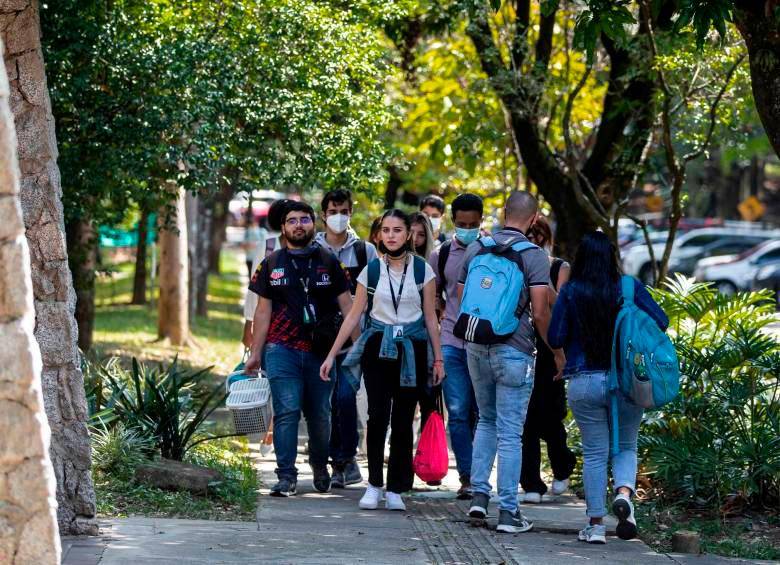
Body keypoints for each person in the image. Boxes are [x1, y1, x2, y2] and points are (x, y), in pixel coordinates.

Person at [319, 209, 445, 512]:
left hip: (412, 350)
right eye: (386, 230)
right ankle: (374, 485)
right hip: (378, 347)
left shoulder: (423, 271)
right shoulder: (371, 271)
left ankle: (396, 489)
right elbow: (354, 314)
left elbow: (431, 317)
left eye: (398, 230)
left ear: (409, 235)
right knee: (377, 418)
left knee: (403, 421)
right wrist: (332, 354)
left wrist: (438, 359)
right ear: (379, 235)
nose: (391, 235)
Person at [548, 231, 669, 544]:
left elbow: (556, 337)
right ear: (612, 257)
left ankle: (596, 525)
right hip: (627, 381)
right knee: (626, 445)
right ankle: (625, 495)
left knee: (594, 453)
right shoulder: (629, 287)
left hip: (585, 380)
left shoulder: (572, 290)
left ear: (581, 259)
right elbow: (662, 321)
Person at [459, 191, 565, 534]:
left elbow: (462, 298)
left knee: (485, 421)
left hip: (475, 345)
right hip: (514, 350)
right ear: (534, 219)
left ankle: (478, 498)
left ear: (503, 212)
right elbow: (540, 311)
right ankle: (508, 512)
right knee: (510, 432)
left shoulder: (477, 247)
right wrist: (557, 351)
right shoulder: (534, 256)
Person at [245, 201, 356, 497]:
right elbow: (262, 311)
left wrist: (358, 349)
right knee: (286, 411)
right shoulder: (270, 263)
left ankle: (320, 467)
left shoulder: (330, 261)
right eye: (292, 221)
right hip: (281, 350)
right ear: (283, 228)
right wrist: (256, 352)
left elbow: (349, 307)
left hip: (322, 351)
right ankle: (286, 476)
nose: (298, 225)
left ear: (313, 224)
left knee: (320, 414)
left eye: (304, 220)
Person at [314, 189, 377, 488]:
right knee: (322, 402)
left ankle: (345, 458)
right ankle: (329, 459)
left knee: (345, 397)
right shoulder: (310, 248)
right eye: (333, 210)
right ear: (323, 214)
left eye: (344, 210)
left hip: (354, 337)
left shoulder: (365, 252)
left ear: (351, 212)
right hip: (317, 337)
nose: (338, 216)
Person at [428, 193, 483, 500]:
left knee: (480, 412)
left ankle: (478, 471)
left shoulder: (492, 251)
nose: (467, 229)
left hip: (484, 343)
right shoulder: (442, 253)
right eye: (461, 224)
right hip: (451, 340)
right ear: (452, 221)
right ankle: (467, 476)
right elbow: (434, 296)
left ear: (482, 222)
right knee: (459, 411)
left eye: (472, 224)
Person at [519, 215, 577, 503]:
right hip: (521, 344)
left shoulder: (558, 267)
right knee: (526, 418)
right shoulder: (516, 263)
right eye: (530, 236)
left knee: (552, 416)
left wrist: (540, 274)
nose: (534, 241)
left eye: (539, 236)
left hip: (551, 348)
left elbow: (559, 303)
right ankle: (530, 483)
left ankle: (563, 465)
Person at [243, 199, 290, 349]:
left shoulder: (311, 250)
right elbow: (254, 290)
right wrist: (248, 325)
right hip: (269, 326)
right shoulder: (267, 247)